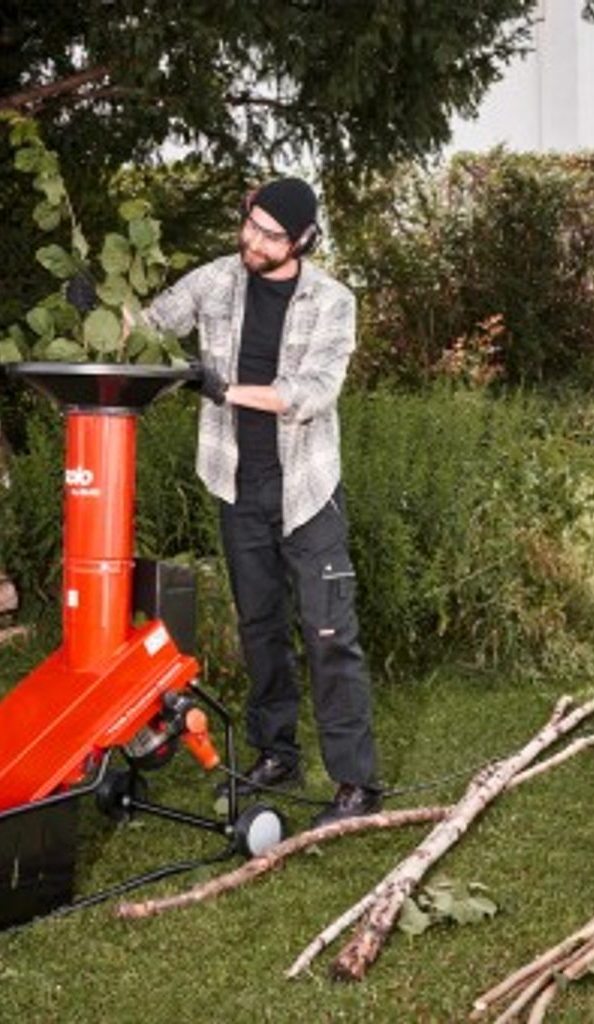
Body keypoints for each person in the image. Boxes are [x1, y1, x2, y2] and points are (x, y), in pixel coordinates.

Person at [144, 177, 380, 826]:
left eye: (271, 236)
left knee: (329, 634)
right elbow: (149, 328)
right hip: (238, 484)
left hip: (306, 490)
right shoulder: (217, 279)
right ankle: (278, 753)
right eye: (251, 224)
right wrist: (98, 308)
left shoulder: (332, 300)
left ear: (302, 239)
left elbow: (312, 392)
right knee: (260, 628)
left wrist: (221, 388)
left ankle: (357, 786)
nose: (253, 241)